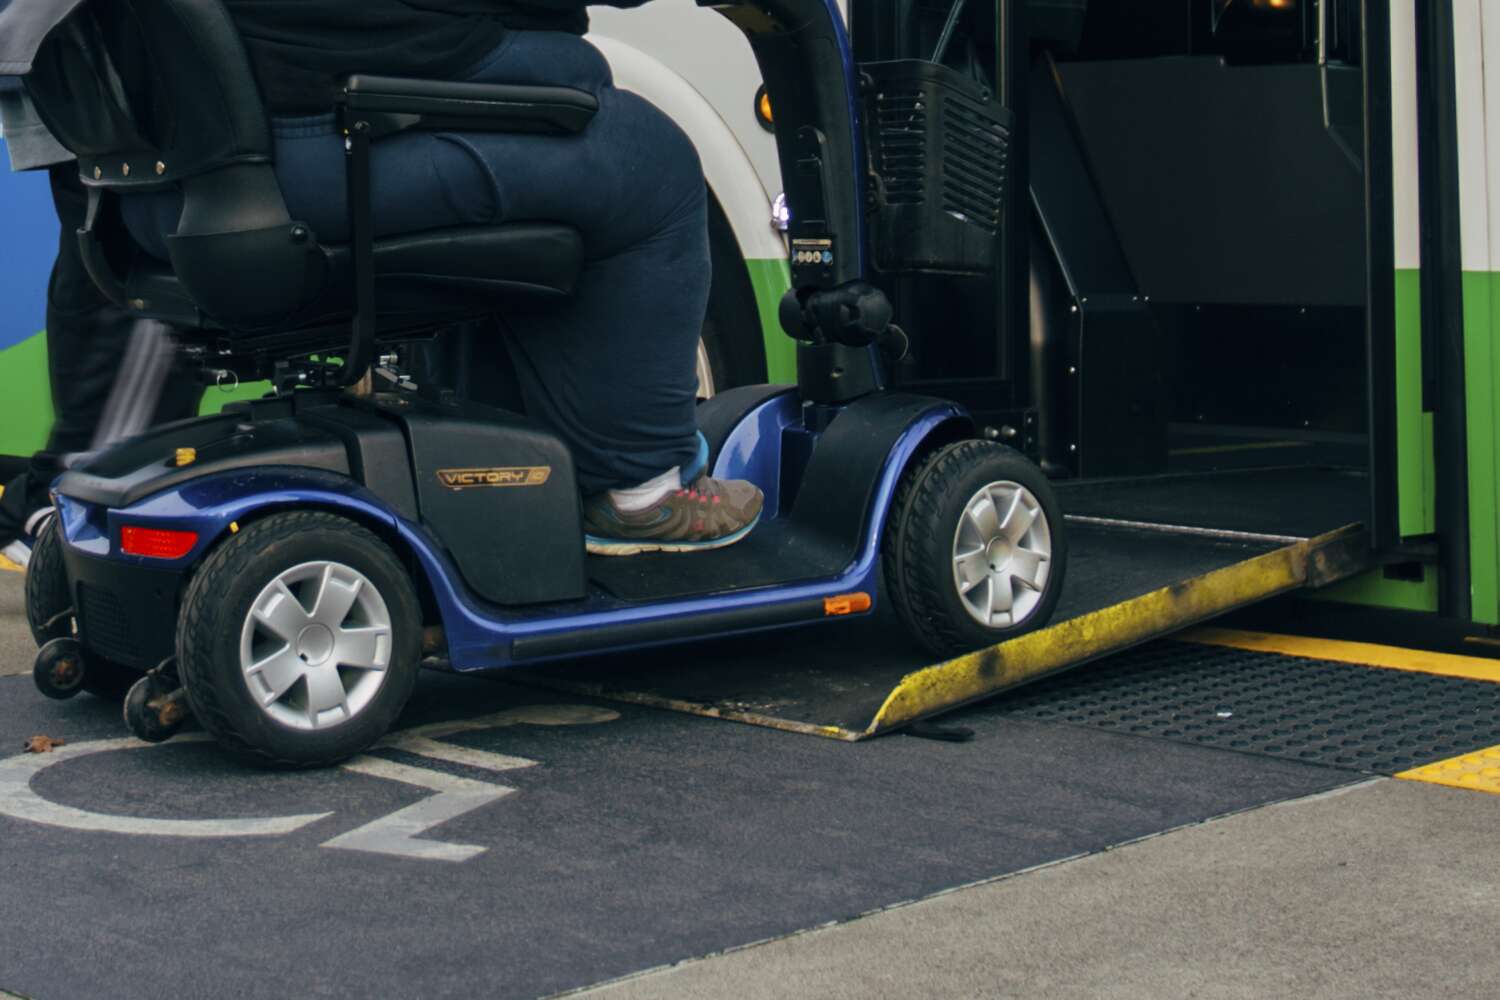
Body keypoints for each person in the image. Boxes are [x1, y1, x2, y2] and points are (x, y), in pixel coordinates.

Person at [126, 0, 764, 557]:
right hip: (295, 166)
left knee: (575, 104)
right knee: (649, 161)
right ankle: (642, 490)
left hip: (164, 192)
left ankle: (506, 467)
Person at [0, 78, 201, 569]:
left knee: (100, 263)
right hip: (121, 92)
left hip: (99, 88)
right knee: (136, 285)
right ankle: (64, 512)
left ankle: (58, 499)